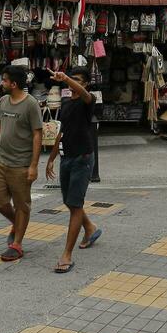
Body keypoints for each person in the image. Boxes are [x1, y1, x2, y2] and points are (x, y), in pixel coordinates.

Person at [0, 65, 43, 262]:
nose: (2, 83)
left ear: (14, 84)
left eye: (5, 80)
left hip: (21, 164)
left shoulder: (31, 104)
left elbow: (37, 135)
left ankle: (17, 244)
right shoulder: (3, 102)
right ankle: (16, 223)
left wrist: (34, 165)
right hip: (1, 160)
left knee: (22, 205)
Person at [44, 68, 100, 273]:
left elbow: (84, 95)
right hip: (66, 158)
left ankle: (66, 255)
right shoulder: (66, 104)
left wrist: (66, 78)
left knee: (75, 205)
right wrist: (51, 159)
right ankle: (90, 228)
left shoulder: (88, 100)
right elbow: (61, 132)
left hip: (83, 159)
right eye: (70, 79)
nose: (71, 83)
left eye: (76, 80)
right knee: (70, 202)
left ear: (85, 84)